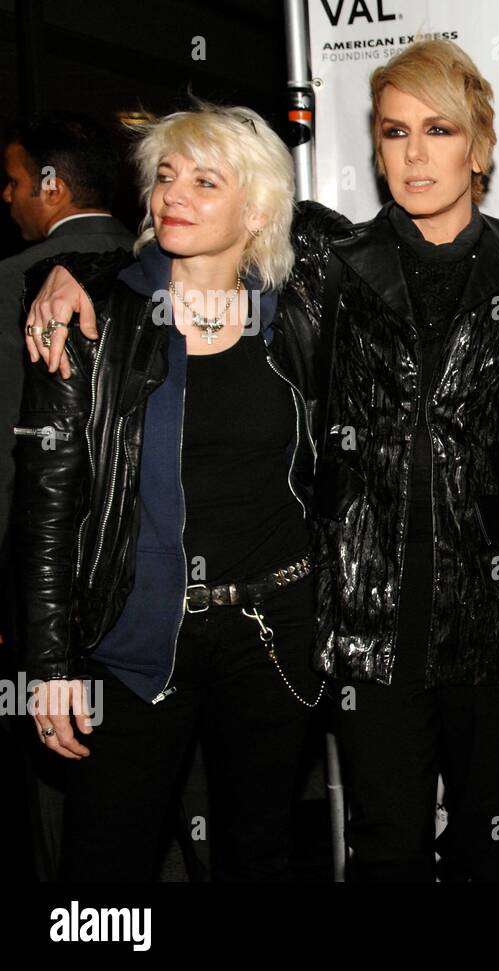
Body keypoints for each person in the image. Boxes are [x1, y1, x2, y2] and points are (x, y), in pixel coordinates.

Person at [25, 40, 499, 883]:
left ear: (478, 148)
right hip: (366, 621)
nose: (414, 154)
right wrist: (76, 267)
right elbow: (198, 237)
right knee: (385, 851)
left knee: (482, 846)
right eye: (394, 132)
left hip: (493, 616)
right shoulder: (327, 264)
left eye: (438, 130)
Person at [16, 104, 331, 881]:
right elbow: (47, 503)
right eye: (164, 175)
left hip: (272, 630)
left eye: (203, 179)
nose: (172, 194)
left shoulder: (301, 308)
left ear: (255, 207)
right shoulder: (95, 315)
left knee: (259, 852)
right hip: (140, 629)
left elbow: (400, 237)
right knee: (104, 858)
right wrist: (48, 662)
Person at [0, 111, 134, 881]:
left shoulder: (16, 286)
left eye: (17, 181)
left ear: (52, 185)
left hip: (49, 598)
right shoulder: (172, 273)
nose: (9, 198)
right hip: (168, 605)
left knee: (66, 796)